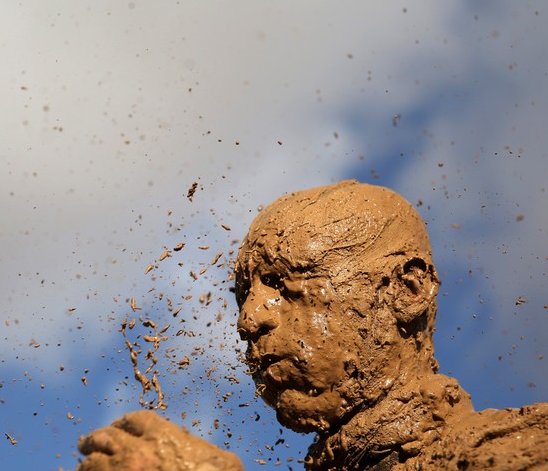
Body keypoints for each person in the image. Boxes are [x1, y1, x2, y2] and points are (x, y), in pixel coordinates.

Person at [75, 180, 547, 470]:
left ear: (408, 291)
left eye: (284, 283)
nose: (248, 320)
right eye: (245, 295)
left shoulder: (513, 453)